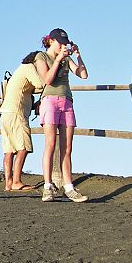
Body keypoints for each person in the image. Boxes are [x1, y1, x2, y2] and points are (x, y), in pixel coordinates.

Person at [34, 28, 89, 203]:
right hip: (49, 100)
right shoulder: (41, 57)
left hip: (67, 101)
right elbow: (47, 79)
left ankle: (69, 187)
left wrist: (78, 55)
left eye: (65, 42)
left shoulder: (67, 58)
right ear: (51, 41)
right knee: (50, 144)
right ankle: (48, 186)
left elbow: (83, 75)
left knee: (67, 148)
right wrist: (58, 59)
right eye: (60, 42)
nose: (62, 45)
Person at [0, 52, 46, 192]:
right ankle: (16, 181)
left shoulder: (20, 69)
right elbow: (40, 84)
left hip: (6, 113)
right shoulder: (29, 67)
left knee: (9, 150)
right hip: (17, 114)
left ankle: (8, 183)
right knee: (23, 147)